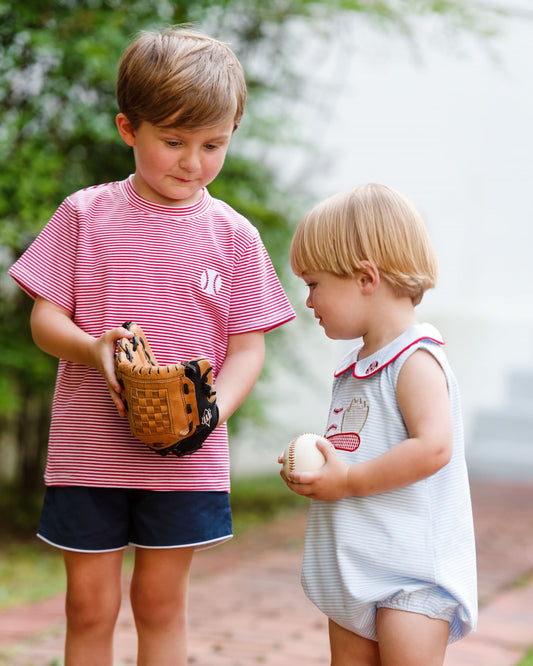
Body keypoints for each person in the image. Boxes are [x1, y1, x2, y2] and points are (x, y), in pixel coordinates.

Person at [9, 26, 295, 666]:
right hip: (90, 452)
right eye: (173, 141)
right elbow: (45, 320)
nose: (193, 161)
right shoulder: (84, 214)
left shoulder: (234, 234)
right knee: (88, 607)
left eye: (213, 144)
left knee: (161, 606)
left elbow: (249, 348)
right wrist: (93, 349)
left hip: (185, 460)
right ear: (127, 128)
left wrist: (213, 410)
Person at [280, 183, 477, 666]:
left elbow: (433, 447)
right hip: (354, 564)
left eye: (314, 284)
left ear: (366, 278)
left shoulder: (415, 360)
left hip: (411, 575)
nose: (309, 301)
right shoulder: (356, 366)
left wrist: (347, 480)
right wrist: (319, 469)